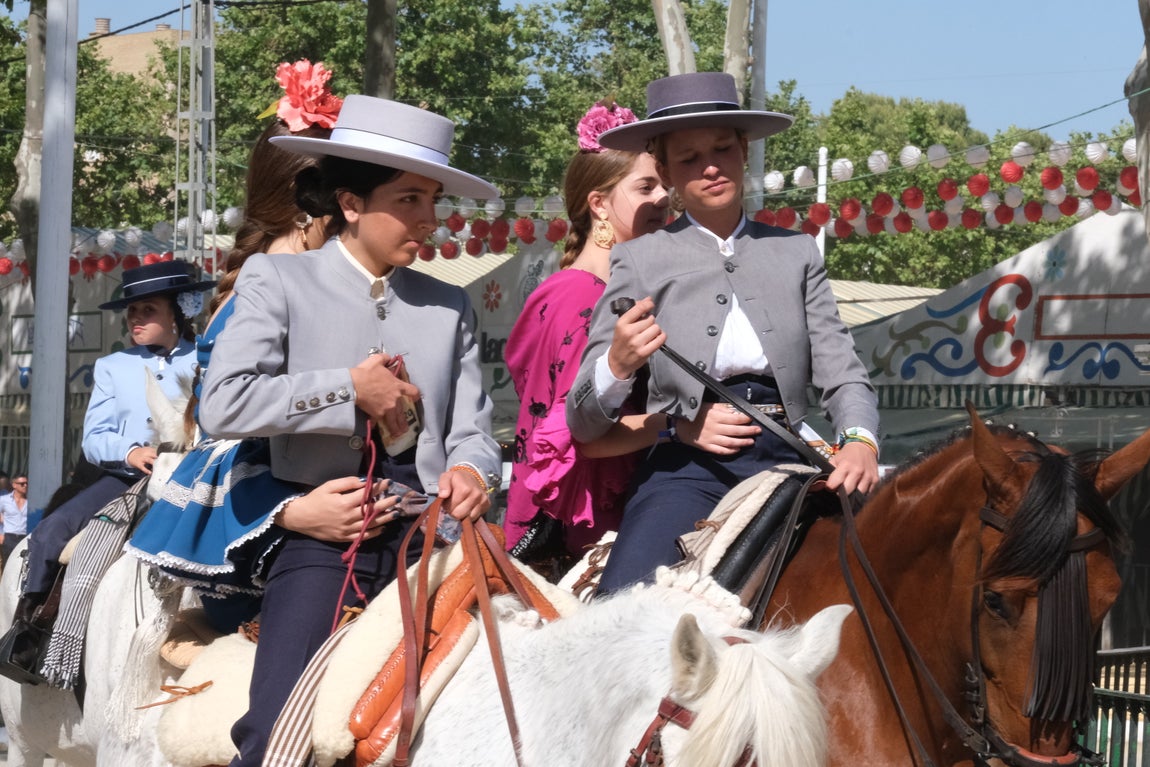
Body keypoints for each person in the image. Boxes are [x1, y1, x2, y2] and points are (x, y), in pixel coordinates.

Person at [197, 94, 502, 765]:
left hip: (437, 542)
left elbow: (476, 431)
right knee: (278, 732)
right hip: (326, 542)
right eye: (410, 199)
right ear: (353, 202)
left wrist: (473, 472)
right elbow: (220, 403)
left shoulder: (449, 304)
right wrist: (348, 389)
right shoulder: (276, 278)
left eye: (434, 200)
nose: (429, 219)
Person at [566, 72, 880, 594]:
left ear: (744, 152)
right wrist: (617, 365)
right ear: (664, 171)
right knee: (618, 611)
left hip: (792, 457)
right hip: (686, 468)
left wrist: (860, 444)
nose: (711, 166)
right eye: (688, 158)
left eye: (723, 149)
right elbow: (582, 422)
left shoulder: (798, 252)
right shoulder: (637, 259)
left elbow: (842, 371)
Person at [125, 60, 348, 632]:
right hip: (263, 482)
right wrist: (296, 511)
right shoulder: (270, 279)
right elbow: (238, 416)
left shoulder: (308, 275)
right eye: (348, 195)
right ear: (311, 204)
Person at [504, 100, 761, 561]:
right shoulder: (583, 298)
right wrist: (678, 427)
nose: (663, 198)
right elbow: (570, 438)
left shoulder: (593, 288)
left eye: (665, 185)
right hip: (586, 527)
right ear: (599, 204)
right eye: (646, 186)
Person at [1, 259, 211, 675]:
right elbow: (94, 438)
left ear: (178, 311)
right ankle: (32, 633)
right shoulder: (113, 366)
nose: (136, 318)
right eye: (132, 311)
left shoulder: (208, 357)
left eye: (147, 309)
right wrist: (130, 451)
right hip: (124, 477)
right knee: (49, 533)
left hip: (198, 473)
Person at [0, 475, 29, 569]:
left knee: (24, 566)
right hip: (10, 537)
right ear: (14, 485)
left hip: (25, 537)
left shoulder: (31, 501)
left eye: (27, 483)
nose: (25, 485)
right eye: (22, 484)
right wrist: (1, 533)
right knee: (8, 566)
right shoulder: (4, 500)